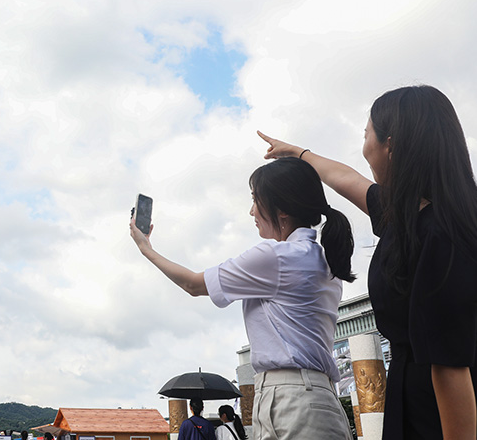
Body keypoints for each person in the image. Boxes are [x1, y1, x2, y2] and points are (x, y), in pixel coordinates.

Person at [259, 84, 477, 440]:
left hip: (446, 410)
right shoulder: (409, 218)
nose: (364, 145)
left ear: (390, 145)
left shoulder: (441, 234)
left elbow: (449, 368)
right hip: (415, 392)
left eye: (367, 133)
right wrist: (299, 153)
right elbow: (347, 180)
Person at [130, 157, 355, 440]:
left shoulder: (275, 257)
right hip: (309, 395)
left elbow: (193, 284)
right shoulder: (324, 260)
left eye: (255, 200)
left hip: (290, 398)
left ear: (281, 210)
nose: (251, 211)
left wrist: (146, 249)